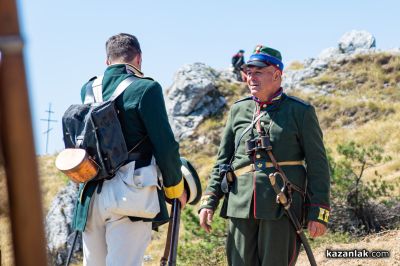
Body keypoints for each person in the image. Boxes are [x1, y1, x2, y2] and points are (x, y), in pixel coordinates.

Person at [199, 45, 330, 266]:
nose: (251, 77)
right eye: (249, 72)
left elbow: (318, 164)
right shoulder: (238, 110)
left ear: (277, 74)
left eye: (258, 72)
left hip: (281, 205)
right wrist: (209, 201)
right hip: (240, 205)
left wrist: (319, 212)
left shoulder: (300, 111)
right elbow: (223, 161)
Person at [72, 33, 187, 266]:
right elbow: (165, 146)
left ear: (107, 61)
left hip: (92, 196)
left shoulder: (88, 89)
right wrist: (175, 189)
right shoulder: (146, 88)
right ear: (138, 58)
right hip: (131, 194)